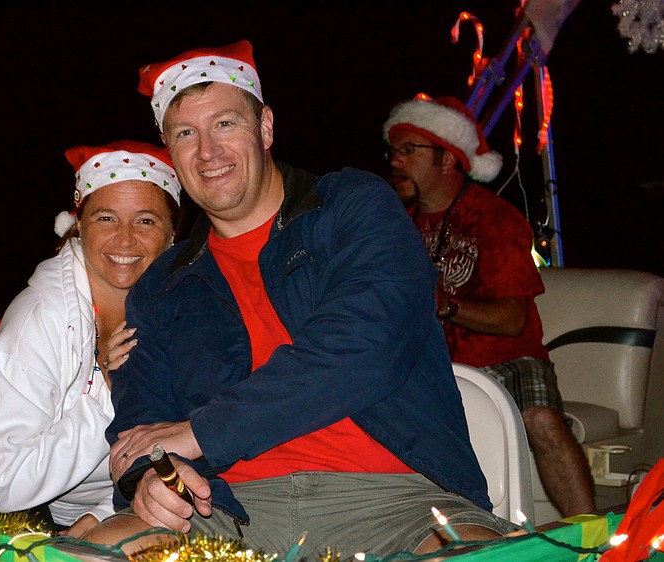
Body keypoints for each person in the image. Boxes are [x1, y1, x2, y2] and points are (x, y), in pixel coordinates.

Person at [84, 40, 517, 556]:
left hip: (399, 506)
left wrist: (201, 433)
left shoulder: (351, 208)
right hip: (227, 510)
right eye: (185, 134)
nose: (208, 152)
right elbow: (141, 416)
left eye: (225, 124)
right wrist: (152, 478)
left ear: (265, 127)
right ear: (171, 153)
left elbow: (367, 346)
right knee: (91, 552)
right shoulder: (162, 284)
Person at [0, 140, 180, 534]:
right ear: (78, 225)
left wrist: (99, 514)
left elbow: (168, 446)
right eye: (106, 218)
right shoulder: (42, 316)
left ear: (172, 235)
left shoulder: (181, 317)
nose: (124, 238)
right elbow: (5, 485)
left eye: (146, 220)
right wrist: (105, 386)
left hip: (69, 510)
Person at [382, 95, 596, 518]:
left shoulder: (496, 219)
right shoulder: (391, 221)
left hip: (507, 358)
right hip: (428, 363)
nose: (395, 161)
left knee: (542, 421)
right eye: (393, 151)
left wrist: (447, 306)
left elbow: (513, 319)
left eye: (408, 150)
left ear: (448, 160)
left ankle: (592, 537)